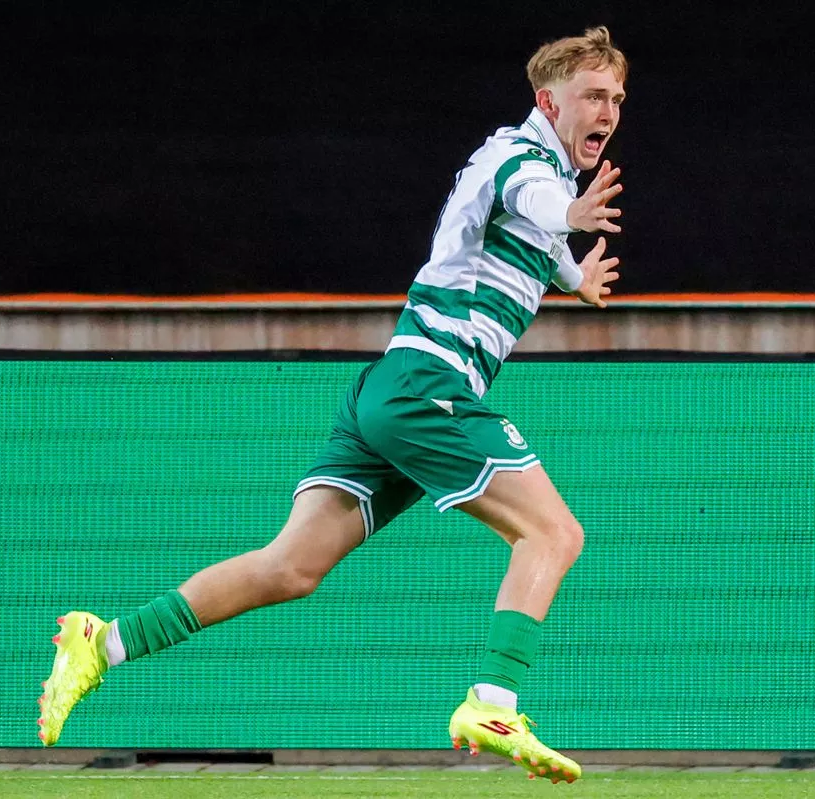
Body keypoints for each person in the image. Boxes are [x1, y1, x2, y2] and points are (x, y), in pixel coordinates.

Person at [39, 25, 627, 784]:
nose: (608, 110)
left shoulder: (533, 171)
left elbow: (532, 228)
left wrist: (575, 276)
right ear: (548, 103)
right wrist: (570, 220)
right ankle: (493, 703)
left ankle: (104, 641)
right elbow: (537, 200)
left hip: (392, 387)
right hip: (427, 387)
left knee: (289, 567)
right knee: (553, 533)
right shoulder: (524, 161)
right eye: (592, 95)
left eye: (616, 97)